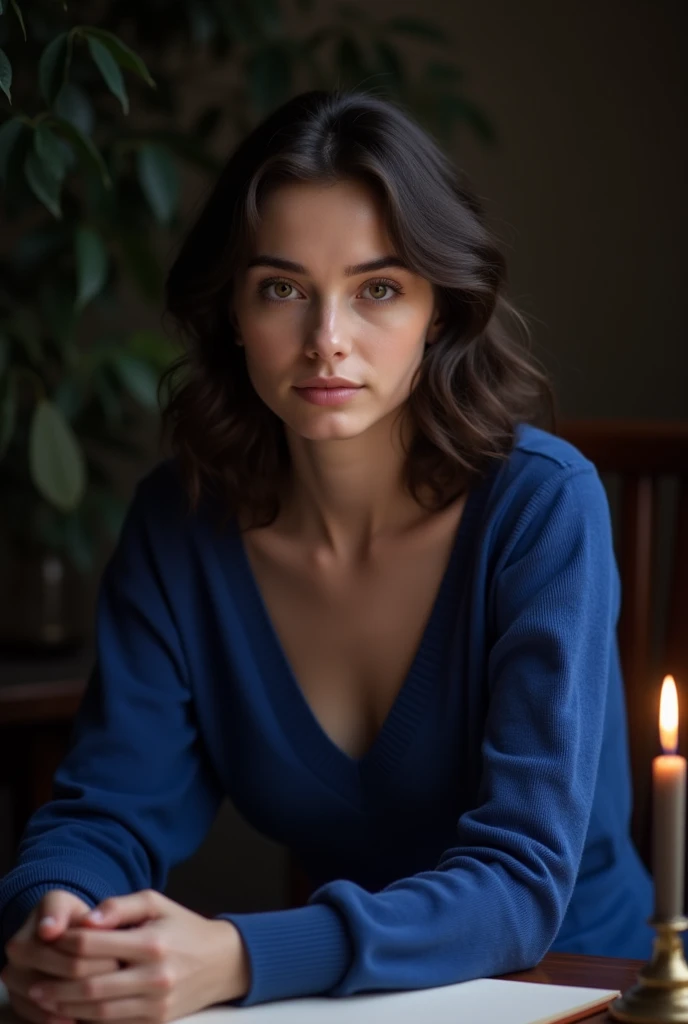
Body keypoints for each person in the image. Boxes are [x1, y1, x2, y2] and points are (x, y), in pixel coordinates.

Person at [0, 89, 654, 1022]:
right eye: (282, 289)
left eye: (377, 288)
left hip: (575, 990)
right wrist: (57, 919)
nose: (326, 342)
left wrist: (236, 954)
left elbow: (520, 882)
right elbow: (104, 813)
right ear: (232, 309)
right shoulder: (180, 527)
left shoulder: (542, 508)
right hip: (337, 1005)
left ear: (441, 307)